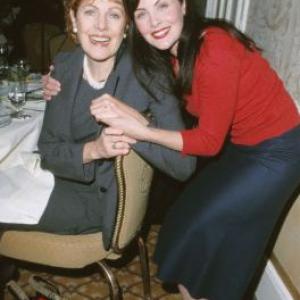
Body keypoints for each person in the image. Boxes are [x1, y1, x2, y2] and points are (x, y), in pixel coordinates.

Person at [86, 0, 300, 299]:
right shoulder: (173, 52)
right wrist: (56, 80)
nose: (154, 22)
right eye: (142, 13)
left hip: (278, 152)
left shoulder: (214, 47)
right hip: (243, 146)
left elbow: (209, 143)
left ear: (184, 6)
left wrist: (143, 132)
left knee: (220, 238)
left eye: (162, 6)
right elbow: (105, 63)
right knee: (184, 221)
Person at [0, 0, 196, 293]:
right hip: (56, 179)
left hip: (100, 202)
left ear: (127, 25)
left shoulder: (149, 75)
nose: (102, 27)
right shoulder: (64, 67)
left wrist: (137, 126)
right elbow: (50, 151)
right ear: (73, 20)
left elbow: (184, 166)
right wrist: (94, 150)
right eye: (90, 11)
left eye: (114, 14)